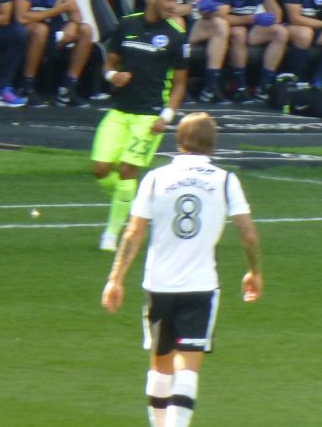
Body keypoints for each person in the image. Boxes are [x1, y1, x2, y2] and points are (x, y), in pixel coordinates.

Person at [101, 112, 261, 427]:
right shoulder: (226, 180)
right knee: (187, 368)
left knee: (160, 367)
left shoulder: (155, 178)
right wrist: (254, 271)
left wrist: (115, 278)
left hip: (158, 285)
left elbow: (133, 233)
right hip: (200, 286)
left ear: (179, 142)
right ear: (212, 145)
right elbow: (248, 234)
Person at [91, 0, 189, 253]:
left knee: (126, 170)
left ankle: (112, 234)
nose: (173, 5)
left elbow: (181, 82)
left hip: (148, 116)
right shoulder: (127, 25)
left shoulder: (176, 36)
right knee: (100, 169)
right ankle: (134, 202)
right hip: (119, 111)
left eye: (176, 0)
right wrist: (113, 76)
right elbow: (109, 64)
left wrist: (167, 116)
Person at [13, 0, 94, 108]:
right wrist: (56, 11)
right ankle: (27, 87)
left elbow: (76, 12)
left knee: (85, 30)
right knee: (40, 30)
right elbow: (21, 17)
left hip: (53, 27)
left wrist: (72, 24)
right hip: (27, 28)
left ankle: (67, 89)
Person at [213, 0, 289, 102]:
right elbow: (222, 17)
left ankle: (263, 87)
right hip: (228, 29)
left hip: (251, 26)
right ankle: (240, 88)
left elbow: (277, 17)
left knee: (281, 32)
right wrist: (252, 19)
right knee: (239, 32)